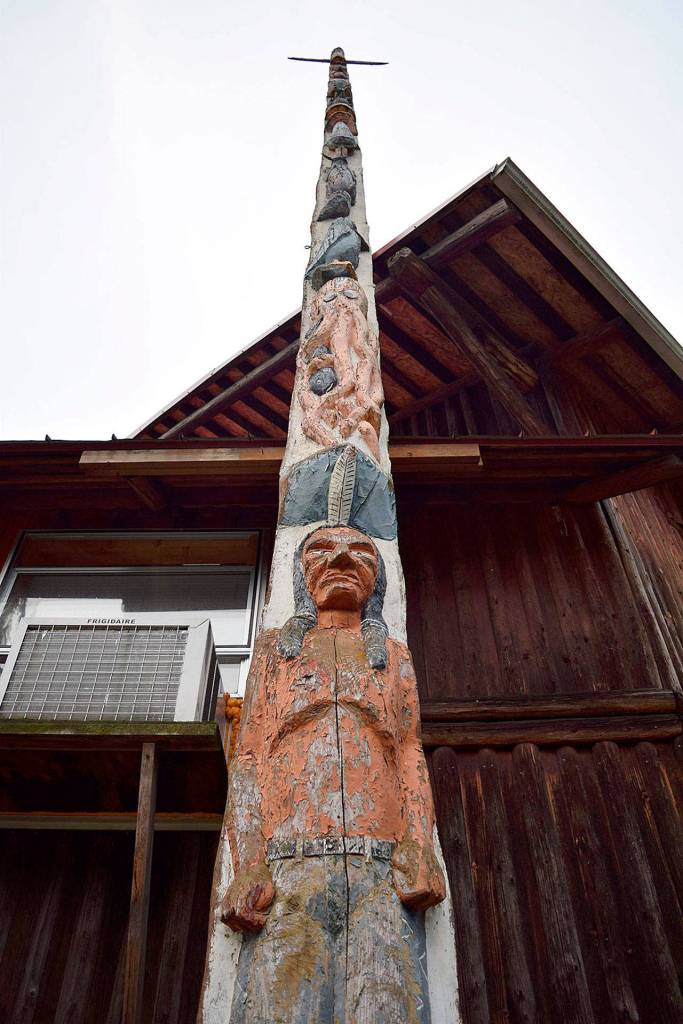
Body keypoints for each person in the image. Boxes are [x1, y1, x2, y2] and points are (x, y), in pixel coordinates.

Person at [222, 524, 445, 1023]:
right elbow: (250, 757)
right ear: (302, 575)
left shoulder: (395, 657)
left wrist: (420, 844)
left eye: (361, 551)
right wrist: (249, 862)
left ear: (377, 577)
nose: (341, 557)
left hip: (381, 870)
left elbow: (410, 752)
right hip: (288, 867)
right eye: (322, 549)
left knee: (389, 1006)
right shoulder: (275, 651)